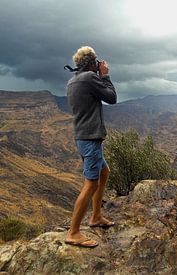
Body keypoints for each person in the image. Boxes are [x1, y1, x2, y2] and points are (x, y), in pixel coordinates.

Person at [64, 46, 117, 248]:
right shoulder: (89, 78)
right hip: (90, 138)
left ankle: (95, 217)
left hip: (83, 137)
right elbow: (112, 98)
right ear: (92, 62)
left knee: (104, 173)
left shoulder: (73, 80)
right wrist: (105, 75)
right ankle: (73, 232)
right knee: (91, 184)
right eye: (97, 62)